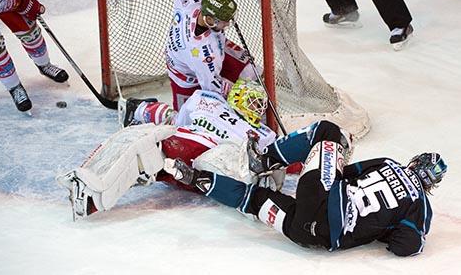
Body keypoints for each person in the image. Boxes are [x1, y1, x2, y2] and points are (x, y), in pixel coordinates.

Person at [165, 120, 447, 256]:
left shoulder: (389, 163)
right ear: (431, 184)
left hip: (321, 194)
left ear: (415, 161)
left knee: (326, 131)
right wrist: (381, 228)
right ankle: (195, 179)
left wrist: (318, 163)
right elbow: (406, 246)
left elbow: (346, 171)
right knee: (254, 200)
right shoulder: (420, 206)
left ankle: (265, 159)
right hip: (310, 234)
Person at [57, 79, 282, 221]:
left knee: (228, 158)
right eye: (253, 101)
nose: (258, 108)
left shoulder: (264, 134)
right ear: (236, 96)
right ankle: (89, 196)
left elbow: (277, 160)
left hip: (212, 167)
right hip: (184, 146)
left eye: (260, 104)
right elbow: (178, 122)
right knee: (138, 142)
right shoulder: (208, 100)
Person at [165, 0, 258, 110]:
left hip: (213, 50)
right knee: (186, 118)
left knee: (253, 72)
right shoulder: (204, 55)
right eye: (223, 21)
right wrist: (232, 91)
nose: (227, 24)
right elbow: (213, 92)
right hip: (184, 75)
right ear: (209, 19)